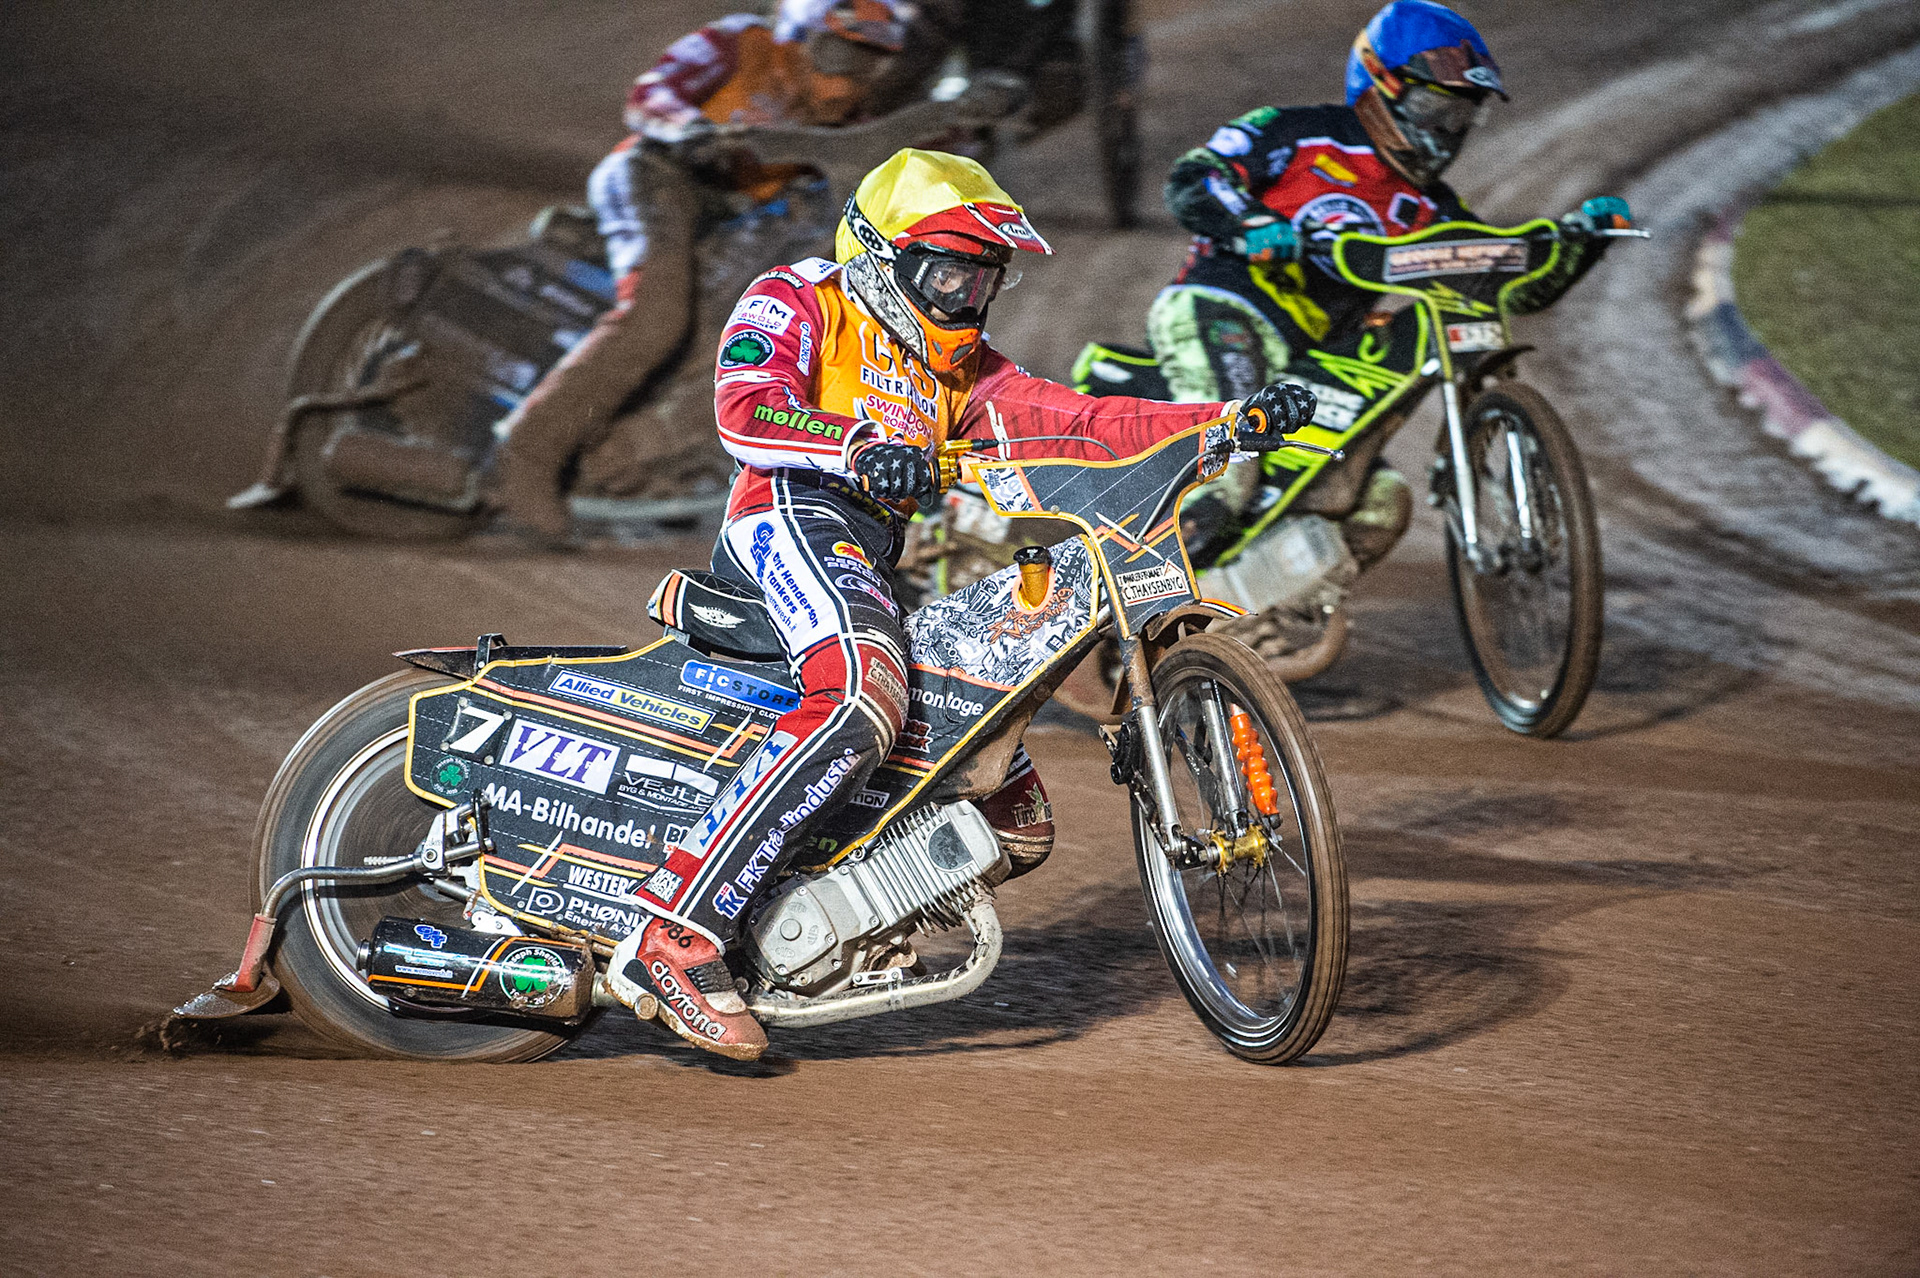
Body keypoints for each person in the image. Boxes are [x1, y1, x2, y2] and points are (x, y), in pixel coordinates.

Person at [604, 148, 1317, 1059]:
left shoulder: (968, 371)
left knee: (1009, 810)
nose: (964, 299)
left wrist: (1226, 420)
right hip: (787, 516)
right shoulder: (801, 296)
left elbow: (1084, 421)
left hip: (866, 555)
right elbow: (744, 407)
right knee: (866, 694)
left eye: (981, 280)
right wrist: (856, 443)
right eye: (946, 273)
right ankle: (676, 930)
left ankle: (816, 918)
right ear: (879, 257)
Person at [1146, 0, 1626, 564]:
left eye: (1460, 117)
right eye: (1431, 108)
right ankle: (1125, 597)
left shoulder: (1435, 205)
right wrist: (1251, 221)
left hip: (1317, 357)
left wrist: (1580, 244)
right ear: (1379, 84)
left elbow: (1503, 285)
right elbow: (1193, 177)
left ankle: (1266, 626)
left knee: (1383, 504)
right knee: (1230, 471)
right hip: (1224, 308)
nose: (1444, 133)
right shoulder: (1295, 132)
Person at [482, 0, 971, 542]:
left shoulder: (853, 119)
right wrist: (689, 128)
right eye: (839, 50)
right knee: (657, 316)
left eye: (868, 61)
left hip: (736, 218)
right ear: (803, 34)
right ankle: (523, 456)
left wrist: (969, 116)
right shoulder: (741, 42)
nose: (849, 75)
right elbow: (649, 94)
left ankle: (641, 462)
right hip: (659, 173)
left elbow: (909, 153)